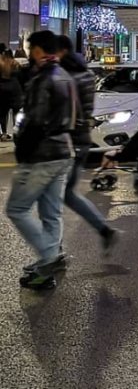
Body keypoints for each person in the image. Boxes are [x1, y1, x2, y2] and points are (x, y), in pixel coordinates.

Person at [6, 31, 75, 290]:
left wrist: (23, 149)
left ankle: (49, 255)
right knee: (51, 212)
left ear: (36, 50)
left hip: (41, 155)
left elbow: (34, 120)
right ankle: (50, 260)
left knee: (16, 208)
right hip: (62, 152)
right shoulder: (64, 76)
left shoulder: (42, 79)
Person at [57, 35, 120, 253]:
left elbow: (64, 111)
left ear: (62, 51)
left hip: (69, 141)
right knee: (66, 194)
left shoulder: (67, 76)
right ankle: (103, 229)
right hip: (80, 139)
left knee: (55, 195)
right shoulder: (84, 73)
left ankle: (52, 249)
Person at [0, 53, 23, 140]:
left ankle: (4, 133)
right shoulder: (15, 63)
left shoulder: (1, 62)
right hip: (15, 88)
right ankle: (16, 132)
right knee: (16, 112)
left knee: (3, 113)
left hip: (2, 88)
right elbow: (20, 75)